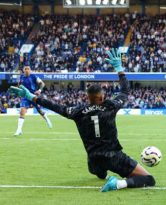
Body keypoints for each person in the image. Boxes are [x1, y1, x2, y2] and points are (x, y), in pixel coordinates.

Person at [9, 49, 155, 192]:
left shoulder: (77, 112)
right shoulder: (110, 106)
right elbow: (124, 91)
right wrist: (119, 69)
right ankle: (117, 184)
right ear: (102, 97)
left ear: (87, 98)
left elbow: (55, 106)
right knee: (149, 180)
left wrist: (30, 96)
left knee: (100, 173)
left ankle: (102, 172)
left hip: (93, 160)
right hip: (114, 156)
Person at [14, 66, 52, 136]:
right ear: (23, 70)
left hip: (33, 96)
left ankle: (46, 118)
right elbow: (19, 86)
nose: (27, 70)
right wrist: (18, 91)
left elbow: (42, 83)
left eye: (28, 69)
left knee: (39, 111)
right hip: (25, 97)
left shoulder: (34, 76)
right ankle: (19, 130)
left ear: (30, 70)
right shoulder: (21, 77)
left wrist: (39, 90)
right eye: (25, 69)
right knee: (22, 112)